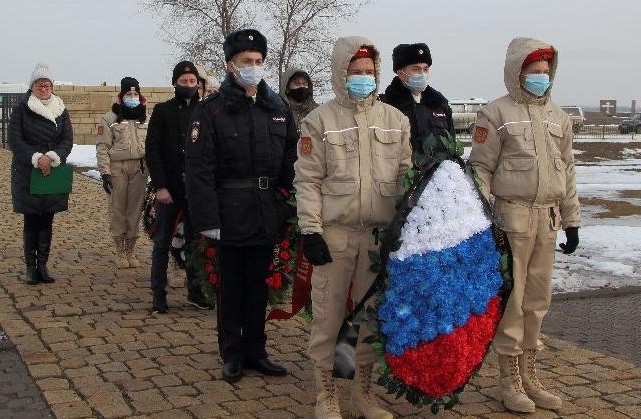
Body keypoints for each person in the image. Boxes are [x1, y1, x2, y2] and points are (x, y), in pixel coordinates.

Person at [294, 36, 411, 419]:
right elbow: (308, 180)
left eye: (369, 72)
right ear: (341, 73)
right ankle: (326, 394)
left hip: (378, 238)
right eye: (356, 72)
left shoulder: (396, 121)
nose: (363, 78)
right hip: (335, 235)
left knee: (370, 317)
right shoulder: (320, 120)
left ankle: (363, 393)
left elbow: (406, 177)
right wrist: (310, 231)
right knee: (328, 316)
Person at [468, 37, 580, 414]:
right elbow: (480, 168)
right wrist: (484, 216)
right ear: (518, 73)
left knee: (537, 300)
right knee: (512, 302)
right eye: (534, 72)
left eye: (546, 73)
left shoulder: (559, 118)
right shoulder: (496, 114)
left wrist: (572, 219)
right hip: (510, 218)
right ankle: (507, 380)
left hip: (547, 218)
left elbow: (567, 170)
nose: (541, 79)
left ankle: (530, 374)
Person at [186, 28, 298, 384]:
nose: (253, 67)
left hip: (267, 210)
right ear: (231, 65)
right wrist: (208, 220)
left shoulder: (277, 108)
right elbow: (198, 170)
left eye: (259, 61)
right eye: (246, 61)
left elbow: (292, 161)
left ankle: (257, 350)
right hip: (229, 212)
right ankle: (232, 352)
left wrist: (286, 205)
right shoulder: (212, 111)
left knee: (258, 285)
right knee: (231, 287)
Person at [145, 61, 212, 313]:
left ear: (198, 84)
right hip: (169, 189)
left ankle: (195, 291)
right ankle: (158, 294)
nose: (188, 86)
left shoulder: (205, 111)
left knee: (196, 242)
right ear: (175, 83)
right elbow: (152, 151)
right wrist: (161, 185)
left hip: (196, 189)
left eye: (192, 82)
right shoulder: (163, 111)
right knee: (162, 241)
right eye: (183, 82)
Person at [6, 63, 74, 286]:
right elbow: (15, 140)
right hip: (28, 170)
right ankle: (30, 267)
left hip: (52, 170)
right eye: (39, 84)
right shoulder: (21, 109)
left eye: (47, 84)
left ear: (52, 86)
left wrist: (53, 157)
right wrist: (37, 158)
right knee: (31, 220)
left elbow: (67, 140)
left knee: (47, 219)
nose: (43, 88)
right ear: (32, 86)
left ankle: (43, 265)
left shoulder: (61, 109)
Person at [96, 77, 148, 268]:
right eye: (128, 94)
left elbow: (151, 145)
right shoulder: (109, 118)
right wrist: (105, 173)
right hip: (117, 168)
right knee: (118, 209)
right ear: (121, 95)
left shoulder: (145, 117)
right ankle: (120, 249)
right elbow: (102, 147)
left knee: (134, 210)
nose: (132, 97)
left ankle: (131, 249)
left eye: (135, 94)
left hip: (139, 168)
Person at [379, 43, 455, 154]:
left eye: (426, 69)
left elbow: (451, 143)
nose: (422, 74)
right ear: (401, 74)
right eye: (416, 69)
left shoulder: (440, 104)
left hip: (439, 170)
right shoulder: (386, 106)